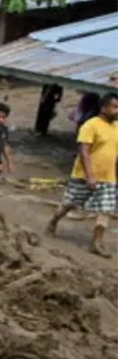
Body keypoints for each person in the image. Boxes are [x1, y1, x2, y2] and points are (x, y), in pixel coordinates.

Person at [46, 93, 118, 258]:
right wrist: (90, 175)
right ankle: (54, 221)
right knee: (70, 203)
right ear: (103, 108)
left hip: (108, 177)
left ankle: (96, 243)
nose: (117, 111)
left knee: (105, 210)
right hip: (84, 175)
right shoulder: (91, 125)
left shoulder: (117, 127)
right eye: (114, 107)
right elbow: (84, 151)